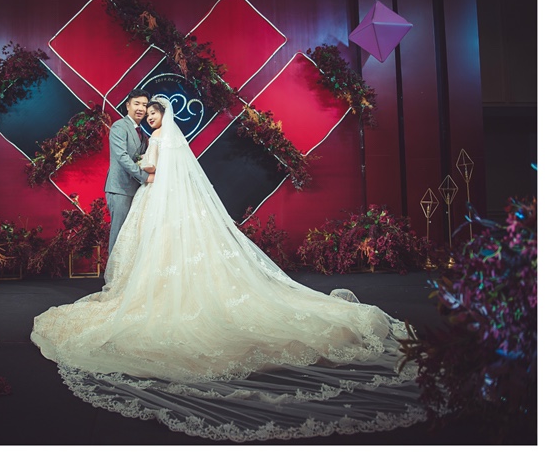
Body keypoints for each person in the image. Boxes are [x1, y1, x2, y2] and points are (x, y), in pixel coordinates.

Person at [31, 97, 428, 442]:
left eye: (152, 111)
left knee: (153, 250)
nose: (148, 116)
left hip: (153, 197)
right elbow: (144, 164)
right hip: (149, 197)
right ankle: (139, 288)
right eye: (145, 111)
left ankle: (141, 292)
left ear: (162, 115)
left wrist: (147, 171)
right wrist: (146, 170)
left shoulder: (159, 138)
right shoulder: (150, 134)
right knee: (152, 249)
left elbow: (154, 170)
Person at [104, 88, 153, 256]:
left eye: (144, 105)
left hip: (136, 190)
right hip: (120, 188)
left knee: (130, 236)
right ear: (128, 106)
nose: (141, 108)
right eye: (137, 104)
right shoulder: (119, 126)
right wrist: (146, 177)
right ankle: (112, 272)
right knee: (118, 234)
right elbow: (122, 158)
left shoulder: (143, 132)